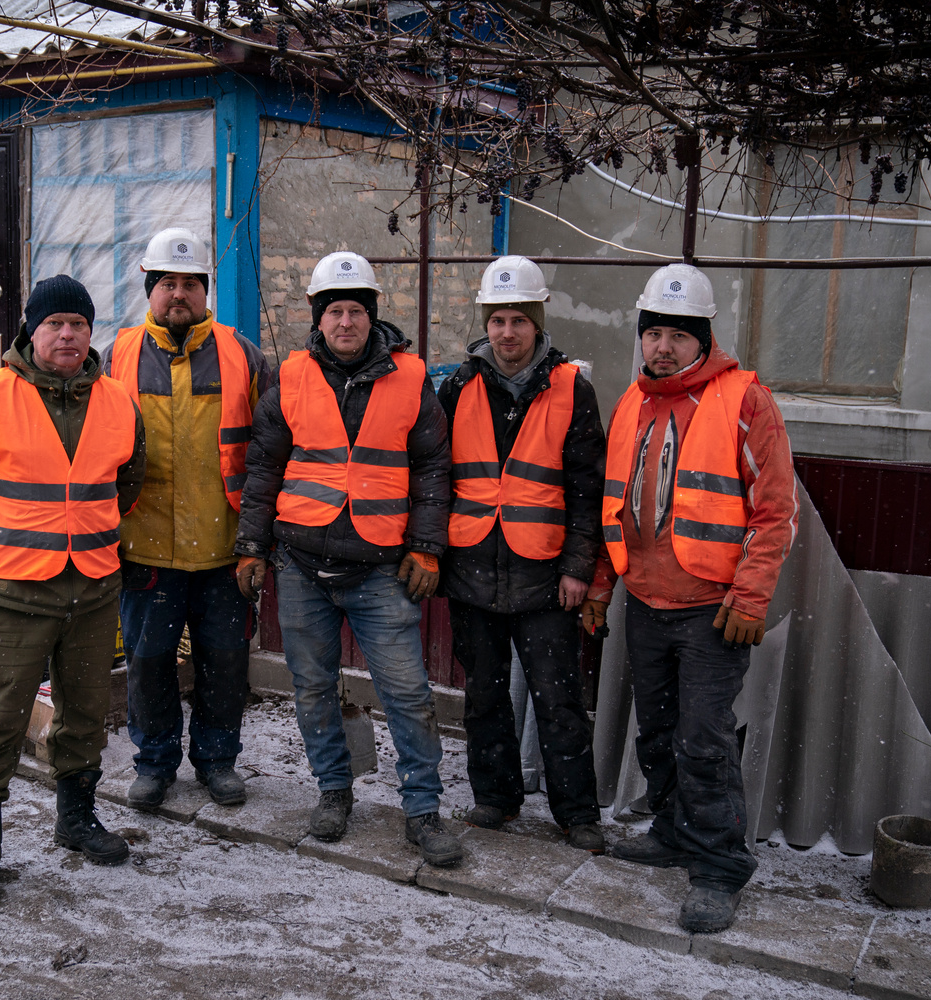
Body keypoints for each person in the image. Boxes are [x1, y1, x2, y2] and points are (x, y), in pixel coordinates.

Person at [581, 263, 797, 934]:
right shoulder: (632, 403)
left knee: (703, 738)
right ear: (641, 338)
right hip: (645, 603)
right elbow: (613, 506)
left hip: (713, 611)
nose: (664, 347)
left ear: (703, 338)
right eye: (654, 334)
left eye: (679, 335)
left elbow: (776, 510)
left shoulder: (745, 400)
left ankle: (719, 866)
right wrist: (599, 586)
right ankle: (673, 831)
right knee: (659, 732)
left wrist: (751, 594)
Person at [233, 251, 462, 867]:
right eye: (333, 311)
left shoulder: (412, 379)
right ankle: (334, 791)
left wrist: (427, 546)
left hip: (382, 569)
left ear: (371, 317)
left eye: (355, 311)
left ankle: (422, 810)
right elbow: (264, 469)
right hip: (302, 564)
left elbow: (434, 469)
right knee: (312, 688)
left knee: (408, 694)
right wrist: (252, 546)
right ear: (318, 317)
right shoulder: (292, 377)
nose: (344, 323)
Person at [0, 274, 146, 908]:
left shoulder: (117, 400)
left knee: (85, 714)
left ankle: (76, 820)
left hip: (94, 588)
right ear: (31, 330)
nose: (68, 335)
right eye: (55, 324)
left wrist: (88, 531)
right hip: (15, 594)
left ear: (89, 331)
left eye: (78, 324)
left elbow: (130, 478)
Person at [438, 256, 606, 853]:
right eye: (498, 320)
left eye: (518, 320)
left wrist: (578, 567)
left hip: (544, 573)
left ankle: (576, 811)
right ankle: (495, 797)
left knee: (558, 699)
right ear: (486, 324)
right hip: (472, 568)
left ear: (538, 323)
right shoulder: (457, 386)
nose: (507, 332)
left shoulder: (572, 390)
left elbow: (589, 489)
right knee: (483, 696)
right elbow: (439, 476)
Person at [108, 228, 271, 810]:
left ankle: (218, 760)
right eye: (167, 283)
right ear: (150, 288)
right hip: (144, 547)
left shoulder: (244, 355)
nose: (179, 294)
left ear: (206, 290)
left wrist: (259, 540)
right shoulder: (115, 356)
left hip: (225, 547)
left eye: (190, 284)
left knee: (223, 663)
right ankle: (154, 763)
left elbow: (272, 449)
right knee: (149, 665)